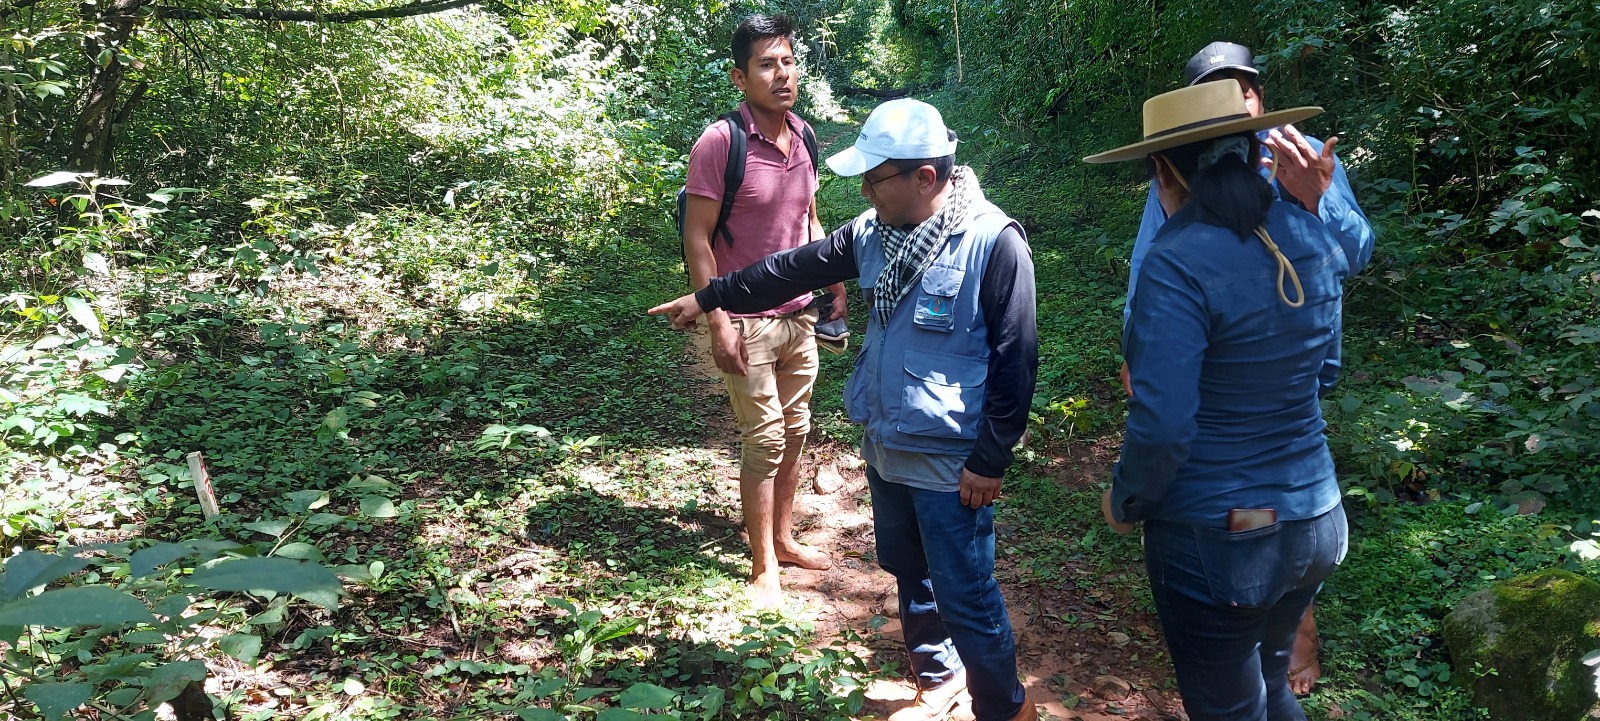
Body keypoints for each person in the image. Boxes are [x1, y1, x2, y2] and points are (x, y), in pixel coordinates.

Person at [652, 98, 1039, 721]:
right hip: (889, 446)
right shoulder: (873, 235)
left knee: (966, 593)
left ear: (925, 177)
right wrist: (710, 296)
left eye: (875, 177)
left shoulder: (993, 243)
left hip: (951, 465)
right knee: (910, 573)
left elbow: (1016, 362)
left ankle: (1004, 708)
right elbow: (786, 271)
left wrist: (990, 460)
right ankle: (939, 679)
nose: (864, 189)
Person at [1086, 80, 1350, 721]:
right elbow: (1327, 371)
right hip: (1312, 517)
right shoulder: (1309, 235)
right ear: (1254, 149)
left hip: (1233, 532)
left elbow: (1166, 426)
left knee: (1229, 708)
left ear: (1161, 170)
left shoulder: (1176, 261)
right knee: (1269, 684)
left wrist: (1126, 499)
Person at [681, 14, 849, 606]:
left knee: (798, 432)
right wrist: (717, 320)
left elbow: (807, 216)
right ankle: (761, 568)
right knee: (766, 440)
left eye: (787, 60)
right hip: (746, 319)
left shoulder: (802, 134)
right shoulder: (720, 144)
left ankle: (782, 539)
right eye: (766, 64)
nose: (782, 74)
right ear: (740, 76)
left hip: (799, 315)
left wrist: (830, 278)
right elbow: (698, 239)